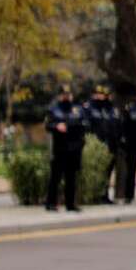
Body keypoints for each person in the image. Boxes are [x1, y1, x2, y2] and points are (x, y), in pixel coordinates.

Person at [44, 84, 86, 212]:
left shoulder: (77, 110)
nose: (66, 97)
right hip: (60, 148)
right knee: (55, 177)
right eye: (64, 95)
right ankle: (50, 203)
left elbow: (84, 123)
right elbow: (48, 125)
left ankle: (70, 204)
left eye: (68, 95)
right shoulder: (53, 109)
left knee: (71, 177)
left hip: (74, 148)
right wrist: (57, 126)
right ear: (60, 96)